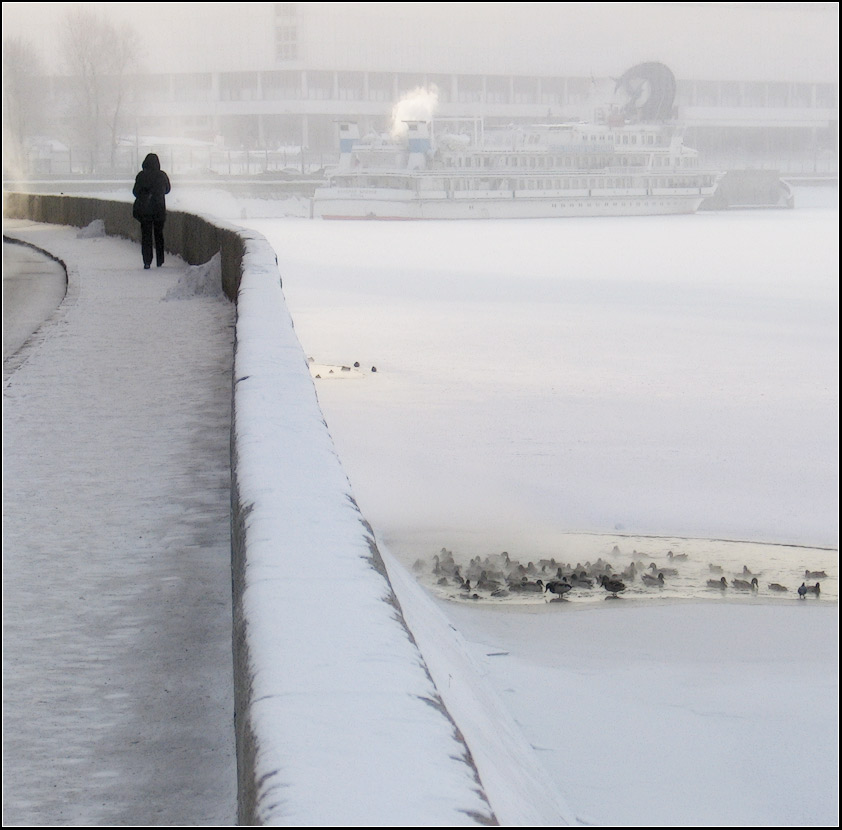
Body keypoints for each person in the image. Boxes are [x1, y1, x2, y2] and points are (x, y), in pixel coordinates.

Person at [132, 153, 171, 269]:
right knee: (159, 234)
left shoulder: (141, 176)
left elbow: (135, 192)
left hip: (145, 210)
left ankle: (147, 261)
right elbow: (168, 190)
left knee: (146, 236)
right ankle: (160, 260)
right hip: (159, 209)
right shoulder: (162, 175)